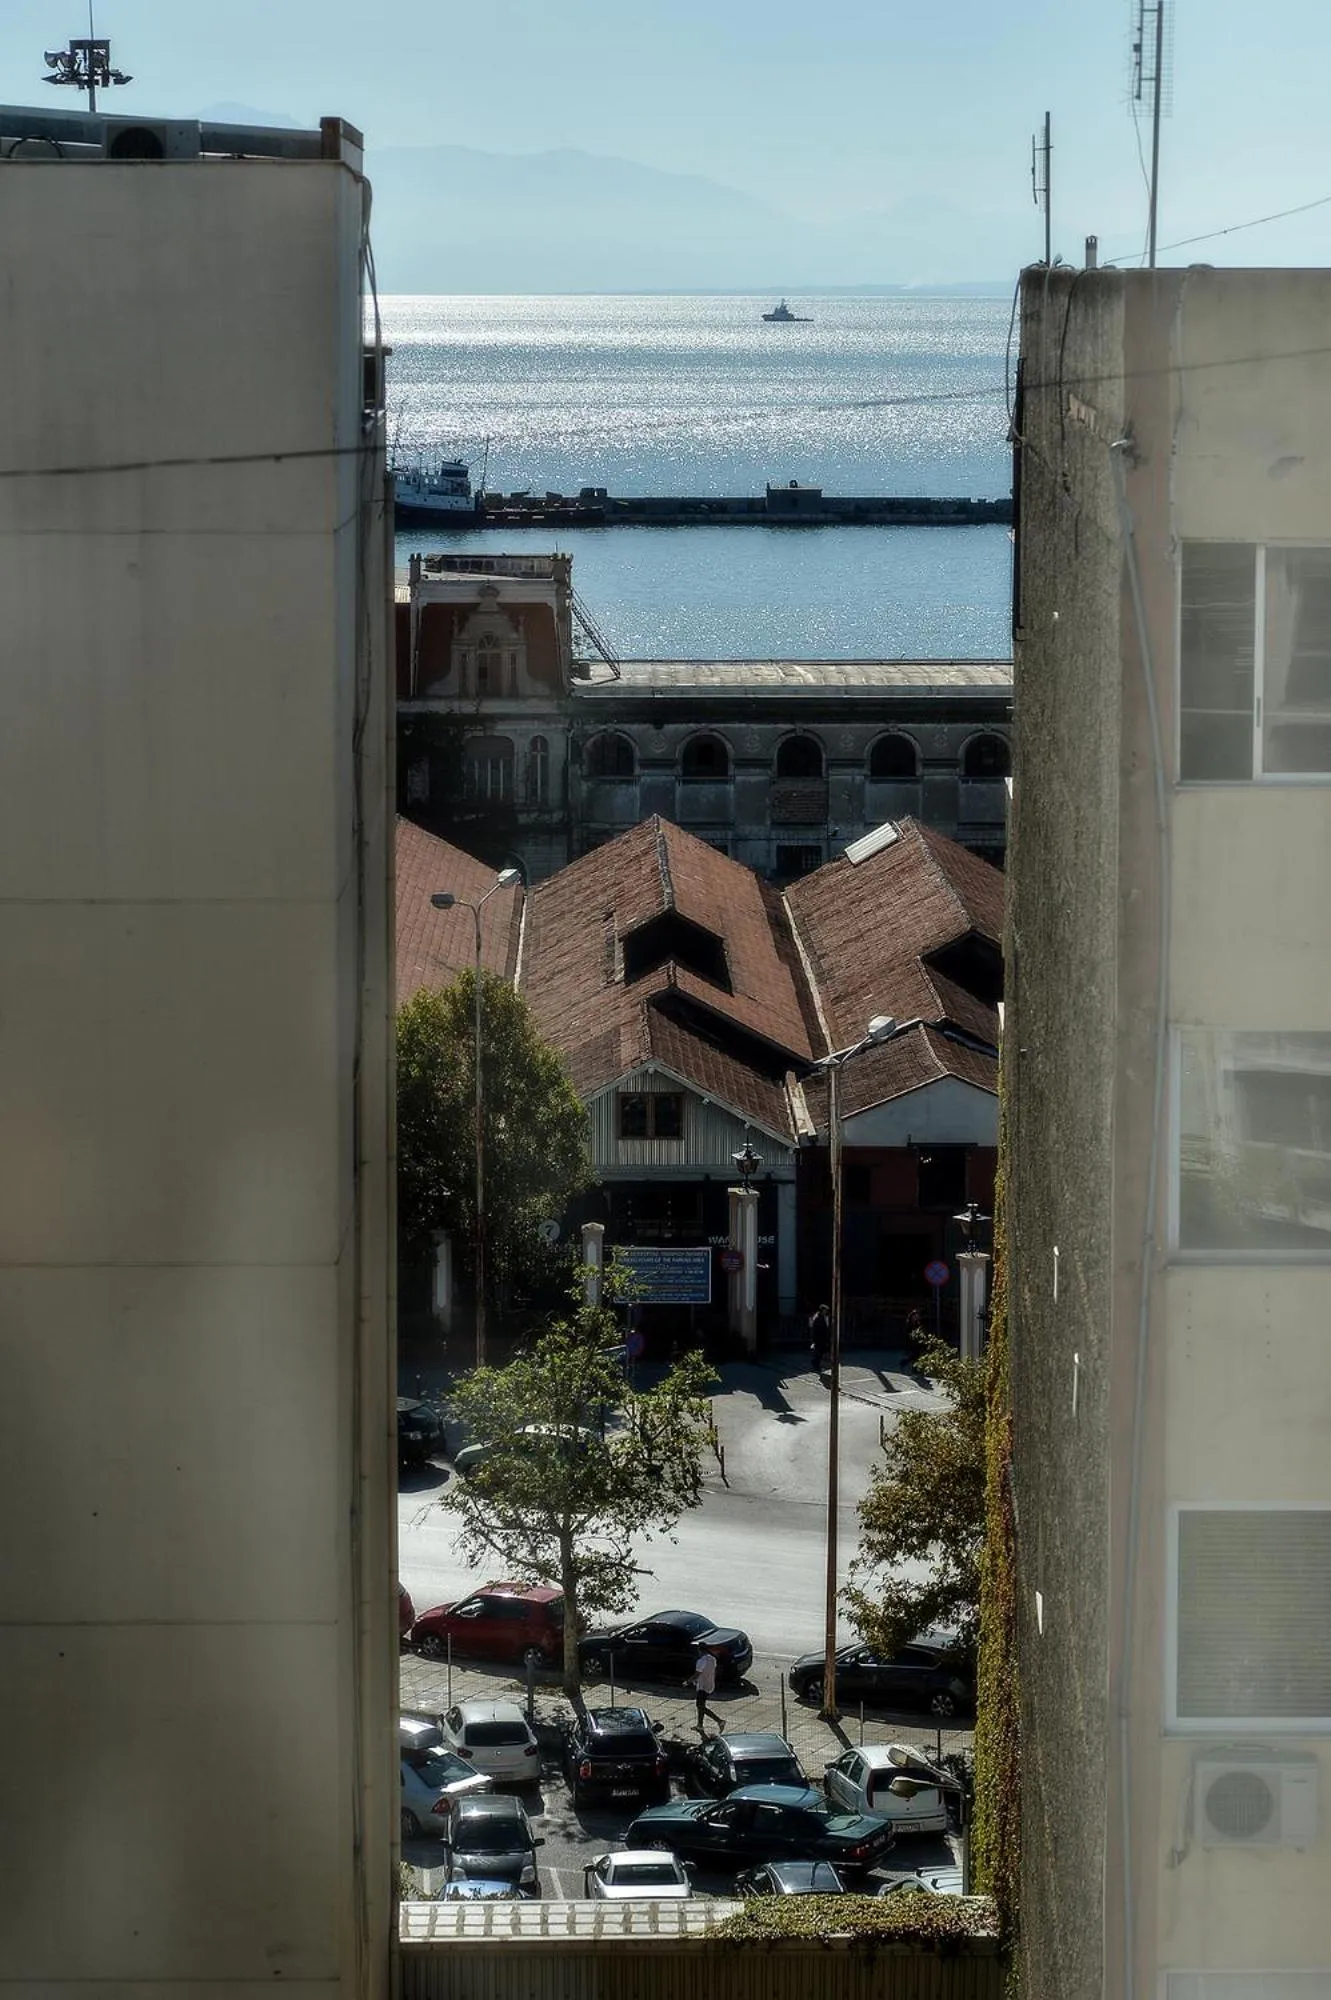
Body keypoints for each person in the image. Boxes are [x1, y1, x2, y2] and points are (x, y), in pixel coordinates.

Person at [692, 1646, 722, 1734]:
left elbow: (697, 1674)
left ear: (700, 1651)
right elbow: (714, 1670)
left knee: (700, 1706)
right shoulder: (712, 1659)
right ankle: (700, 1726)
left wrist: (688, 1681)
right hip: (710, 1685)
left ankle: (719, 1721)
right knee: (701, 1705)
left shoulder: (701, 1661)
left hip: (702, 1686)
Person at [808, 1303, 831, 1373]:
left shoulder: (820, 1316)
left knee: (820, 1352)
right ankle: (816, 1365)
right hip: (819, 1337)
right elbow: (818, 1329)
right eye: (825, 1310)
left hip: (820, 1337)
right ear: (822, 1310)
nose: (826, 1312)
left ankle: (816, 1364)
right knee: (818, 1352)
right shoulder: (818, 1317)